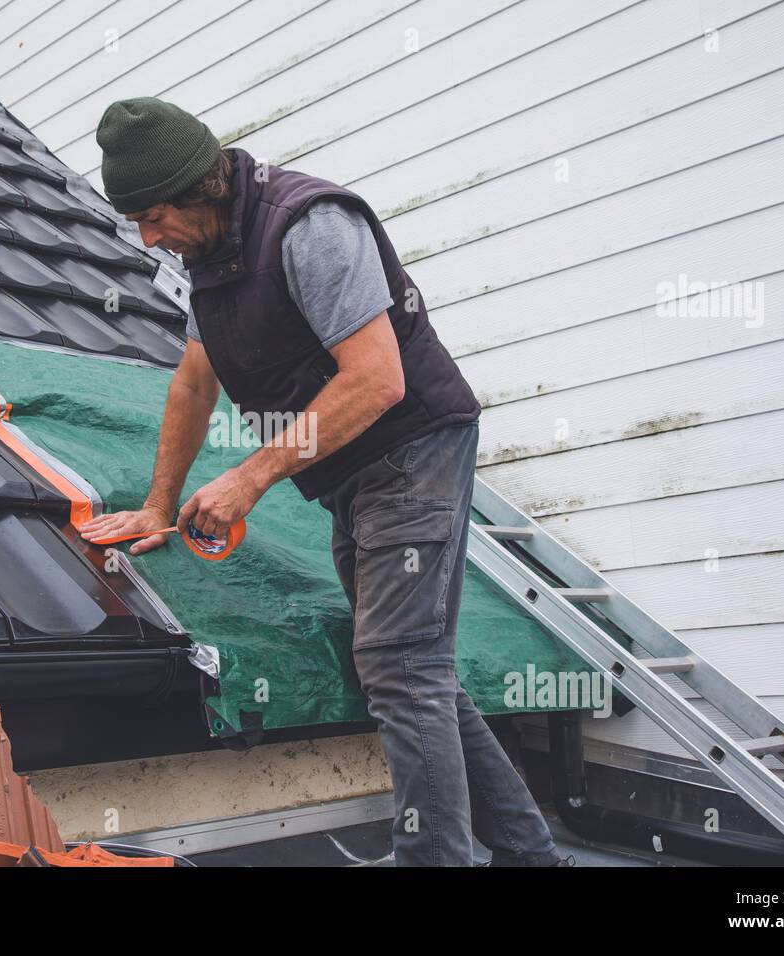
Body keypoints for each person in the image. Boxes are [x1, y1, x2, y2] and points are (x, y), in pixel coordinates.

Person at [80, 96, 570, 867]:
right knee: (415, 667)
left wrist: (250, 477)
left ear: (199, 187)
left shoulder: (307, 226)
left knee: (401, 668)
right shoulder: (209, 257)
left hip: (413, 447)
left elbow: (377, 381)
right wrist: (157, 505)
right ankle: (532, 855)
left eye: (152, 215)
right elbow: (192, 384)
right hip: (347, 469)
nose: (147, 237)